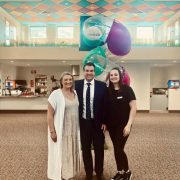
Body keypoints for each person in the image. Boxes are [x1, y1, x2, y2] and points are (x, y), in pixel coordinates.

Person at [75, 62, 107, 180]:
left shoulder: (102, 85)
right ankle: (89, 173)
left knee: (99, 149)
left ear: (94, 72)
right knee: (86, 149)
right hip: (84, 123)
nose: (89, 73)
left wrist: (105, 122)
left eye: (91, 71)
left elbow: (105, 105)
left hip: (98, 124)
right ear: (84, 71)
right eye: (87, 71)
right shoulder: (76, 85)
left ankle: (99, 172)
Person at [47, 72, 81, 180]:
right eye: (65, 80)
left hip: (74, 130)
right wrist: (52, 131)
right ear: (61, 81)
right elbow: (49, 115)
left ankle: (69, 174)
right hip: (62, 129)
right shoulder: (56, 94)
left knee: (72, 152)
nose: (68, 82)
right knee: (63, 153)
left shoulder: (75, 92)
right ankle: (62, 175)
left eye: (70, 79)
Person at [106, 67, 136, 180]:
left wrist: (129, 125)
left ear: (120, 76)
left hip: (124, 125)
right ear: (109, 77)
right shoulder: (107, 90)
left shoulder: (127, 89)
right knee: (117, 148)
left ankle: (127, 171)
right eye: (111, 75)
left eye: (115, 74)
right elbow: (105, 108)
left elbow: (133, 107)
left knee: (119, 148)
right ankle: (120, 171)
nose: (113, 76)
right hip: (111, 126)